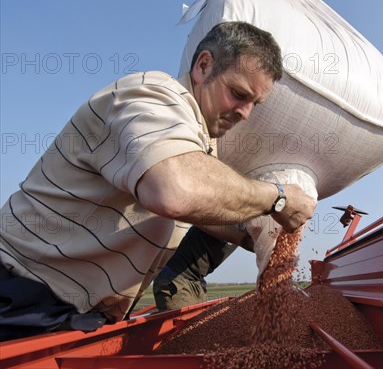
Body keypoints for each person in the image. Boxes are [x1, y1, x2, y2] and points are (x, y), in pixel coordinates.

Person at [0, 21, 316, 341]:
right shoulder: (152, 96)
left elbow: (196, 210)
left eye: (254, 104)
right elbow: (175, 193)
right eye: (238, 94)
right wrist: (279, 197)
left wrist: (259, 235)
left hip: (70, 311)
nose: (245, 113)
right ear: (204, 65)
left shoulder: (199, 139)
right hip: (21, 294)